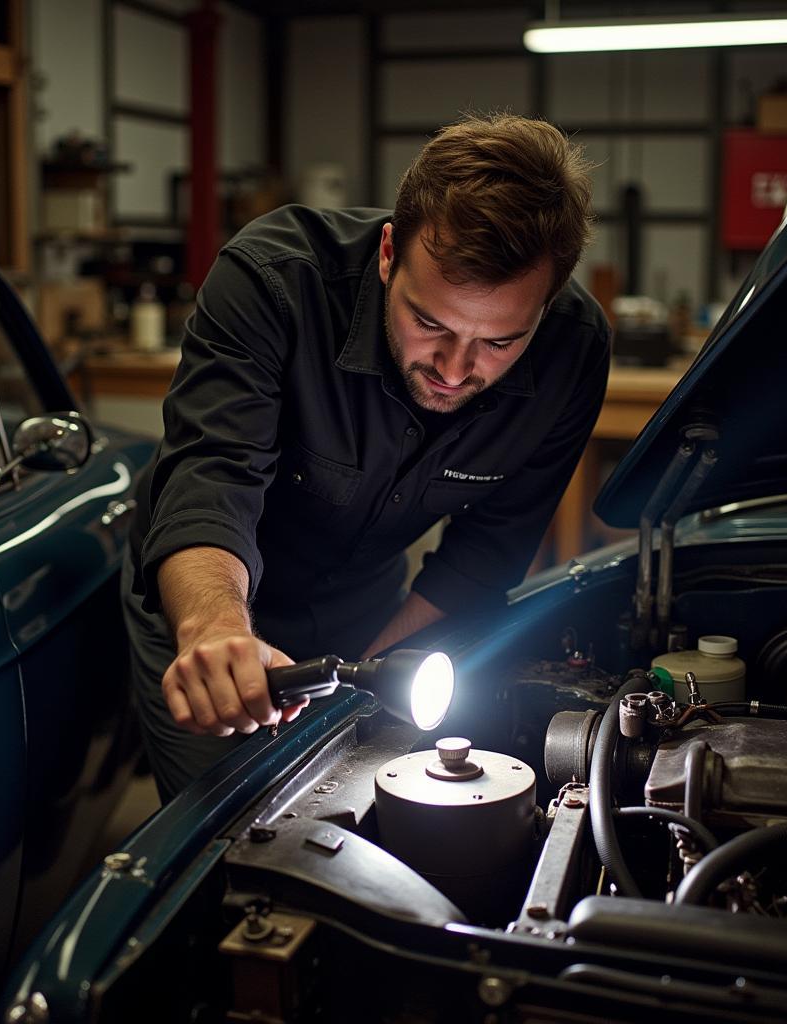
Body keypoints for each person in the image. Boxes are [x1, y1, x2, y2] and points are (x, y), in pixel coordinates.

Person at [123, 113, 611, 801]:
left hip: (370, 606)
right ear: (388, 254)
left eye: (499, 343)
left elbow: (488, 550)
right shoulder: (273, 281)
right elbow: (212, 477)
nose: (454, 368)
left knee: (359, 807)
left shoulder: (575, 351)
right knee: (231, 835)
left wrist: (371, 672)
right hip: (206, 601)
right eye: (429, 322)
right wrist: (215, 631)